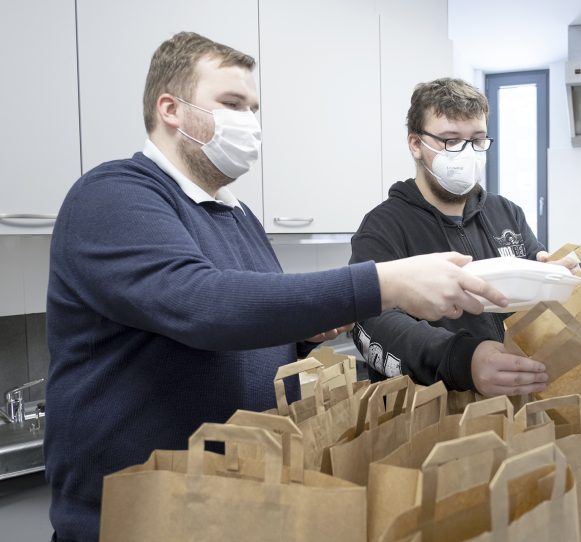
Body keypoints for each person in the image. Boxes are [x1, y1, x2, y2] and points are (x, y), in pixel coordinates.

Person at [44, 34, 507, 542]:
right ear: (171, 109)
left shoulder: (237, 216)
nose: (249, 122)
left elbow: (254, 322)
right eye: (231, 104)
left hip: (232, 505)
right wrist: (385, 283)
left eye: (254, 107)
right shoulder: (115, 194)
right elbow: (205, 306)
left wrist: (306, 333)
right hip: (135, 517)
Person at [350, 77, 578, 397]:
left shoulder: (507, 213)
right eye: (451, 140)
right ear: (416, 144)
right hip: (426, 415)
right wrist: (461, 359)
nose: (466, 153)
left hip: (514, 403)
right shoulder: (384, 227)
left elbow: (530, 302)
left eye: (477, 139)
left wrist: (554, 277)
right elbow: (371, 321)